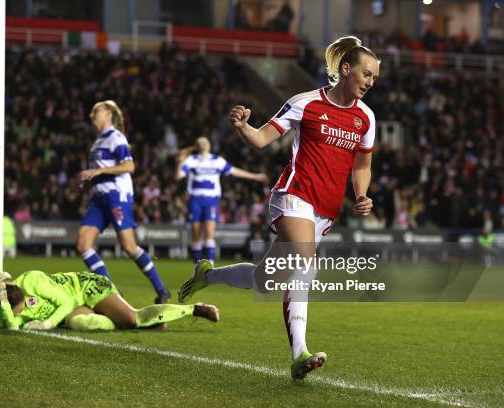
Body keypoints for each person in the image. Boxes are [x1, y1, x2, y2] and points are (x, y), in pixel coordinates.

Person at [178, 36, 379, 380]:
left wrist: (362, 194)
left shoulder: (366, 118)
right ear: (346, 70)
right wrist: (243, 127)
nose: (370, 82)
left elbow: (362, 164)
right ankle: (299, 352)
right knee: (305, 262)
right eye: (366, 73)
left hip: (325, 211)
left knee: (264, 281)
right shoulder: (306, 103)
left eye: (374, 77)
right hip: (293, 195)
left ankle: (207, 275)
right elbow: (261, 139)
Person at [76, 100, 171, 304]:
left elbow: (129, 166)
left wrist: (98, 171)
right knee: (83, 244)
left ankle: (162, 290)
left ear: (109, 114)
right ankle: (114, 293)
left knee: (128, 245)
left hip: (116, 195)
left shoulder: (116, 137)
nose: (92, 113)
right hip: (98, 197)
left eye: (97, 110)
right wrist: (88, 180)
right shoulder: (97, 142)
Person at [0, 271, 218, 331]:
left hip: (85, 287)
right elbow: (11, 325)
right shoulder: (6, 308)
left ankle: (194, 309)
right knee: (81, 324)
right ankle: (152, 323)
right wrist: (3, 302)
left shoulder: (32, 280)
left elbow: (66, 302)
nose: (22, 315)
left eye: (20, 310)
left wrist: (48, 324)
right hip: (71, 307)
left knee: (133, 318)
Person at [176, 137, 268, 265]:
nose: (203, 144)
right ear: (197, 146)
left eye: (205, 141)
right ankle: (197, 266)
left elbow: (235, 171)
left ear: (209, 145)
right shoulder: (192, 160)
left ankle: (211, 264)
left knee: (209, 233)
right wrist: (180, 162)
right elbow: (178, 176)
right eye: (200, 142)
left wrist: (255, 176)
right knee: (196, 235)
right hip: (195, 200)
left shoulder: (217, 161)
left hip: (211, 200)